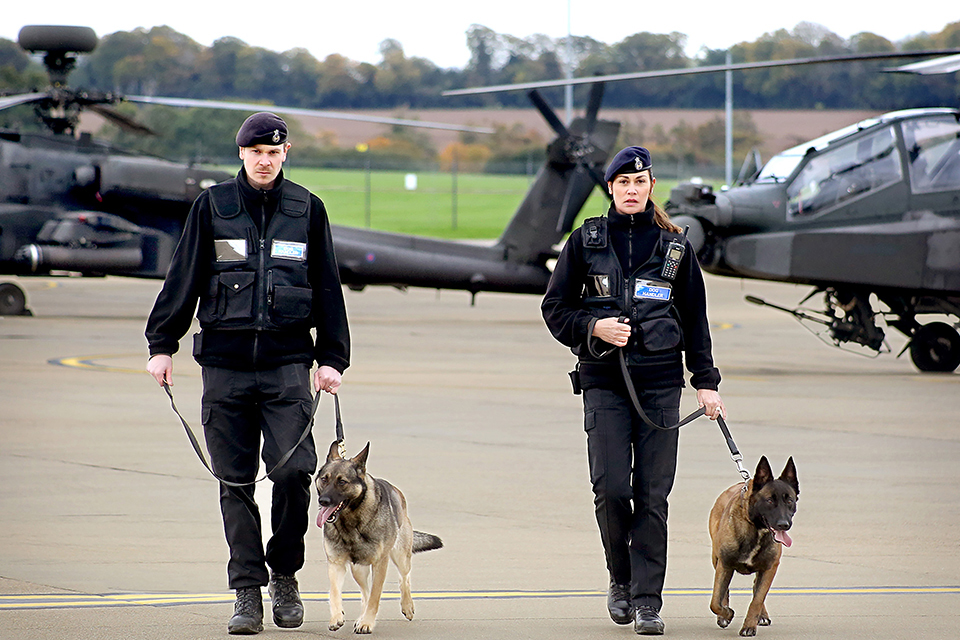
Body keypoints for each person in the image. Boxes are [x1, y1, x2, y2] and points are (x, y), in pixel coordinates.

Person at [145, 112, 350, 635]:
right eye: (256, 151)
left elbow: (327, 285)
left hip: (287, 368)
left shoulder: (307, 209)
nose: (265, 159)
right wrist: (162, 344)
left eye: (274, 152)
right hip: (225, 368)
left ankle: (284, 574)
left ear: (286, 154)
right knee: (234, 482)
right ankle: (246, 591)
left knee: (293, 472)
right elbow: (184, 274)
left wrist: (332, 358)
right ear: (242, 154)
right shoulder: (213, 206)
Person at [541, 146, 725, 635]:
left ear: (650, 187)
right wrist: (594, 326)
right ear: (610, 188)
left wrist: (706, 383)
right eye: (622, 183)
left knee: (651, 496)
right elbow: (555, 309)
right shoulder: (585, 242)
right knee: (611, 490)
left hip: (662, 388)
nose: (631, 190)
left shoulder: (675, 247)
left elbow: (695, 319)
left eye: (639, 182)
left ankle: (647, 601)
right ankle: (619, 580)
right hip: (604, 384)